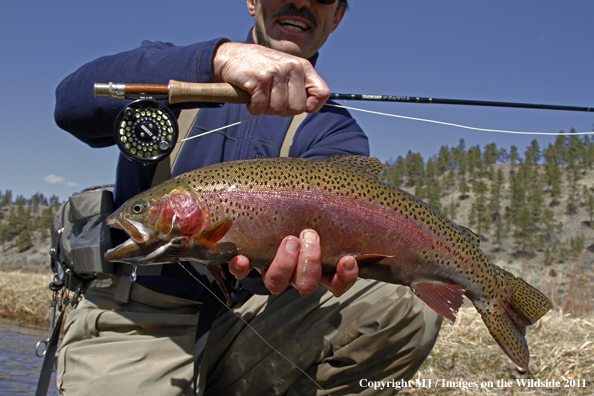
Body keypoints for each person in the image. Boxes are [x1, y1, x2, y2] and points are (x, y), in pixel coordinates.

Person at [53, 1, 443, 395]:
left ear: (337, 16)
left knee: (406, 307)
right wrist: (216, 59)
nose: (301, 2)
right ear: (252, 1)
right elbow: (71, 103)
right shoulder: (176, 70)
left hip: (253, 320)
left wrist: (297, 265)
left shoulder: (335, 132)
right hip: (134, 319)